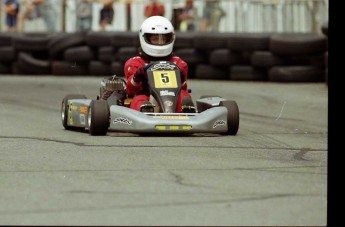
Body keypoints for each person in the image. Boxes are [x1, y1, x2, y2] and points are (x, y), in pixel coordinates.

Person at [101, 16, 195, 113]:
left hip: (173, 98)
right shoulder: (134, 63)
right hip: (146, 96)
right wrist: (136, 78)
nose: (159, 42)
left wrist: (182, 79)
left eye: (163, 39)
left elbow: (183, 89)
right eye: (155, 39)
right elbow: (131, 91)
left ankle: (186, 111)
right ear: (144, 38)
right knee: (139, 99)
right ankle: (145, 111)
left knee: (184, 96)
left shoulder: (179, 63)